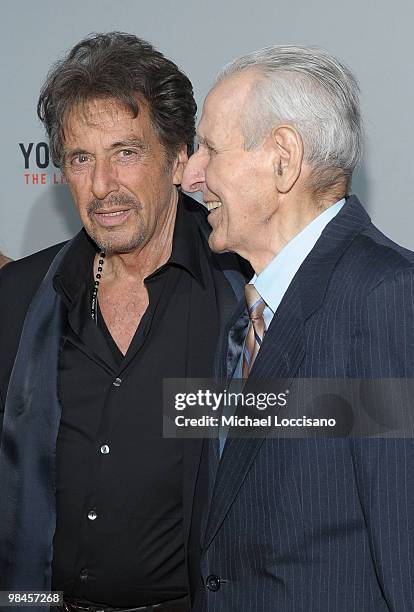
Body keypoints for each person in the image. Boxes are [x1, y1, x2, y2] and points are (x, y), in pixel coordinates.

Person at [0, 32, 246, 611]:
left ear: (180, 158)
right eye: (82, 158)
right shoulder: (20, 297)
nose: (103, 184)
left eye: (126, 152)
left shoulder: (244, 296)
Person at [182, 46, 414, 611]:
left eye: (210, 147)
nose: (190, 174)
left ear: (283, 158)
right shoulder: (249, 312)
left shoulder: (387, 299)